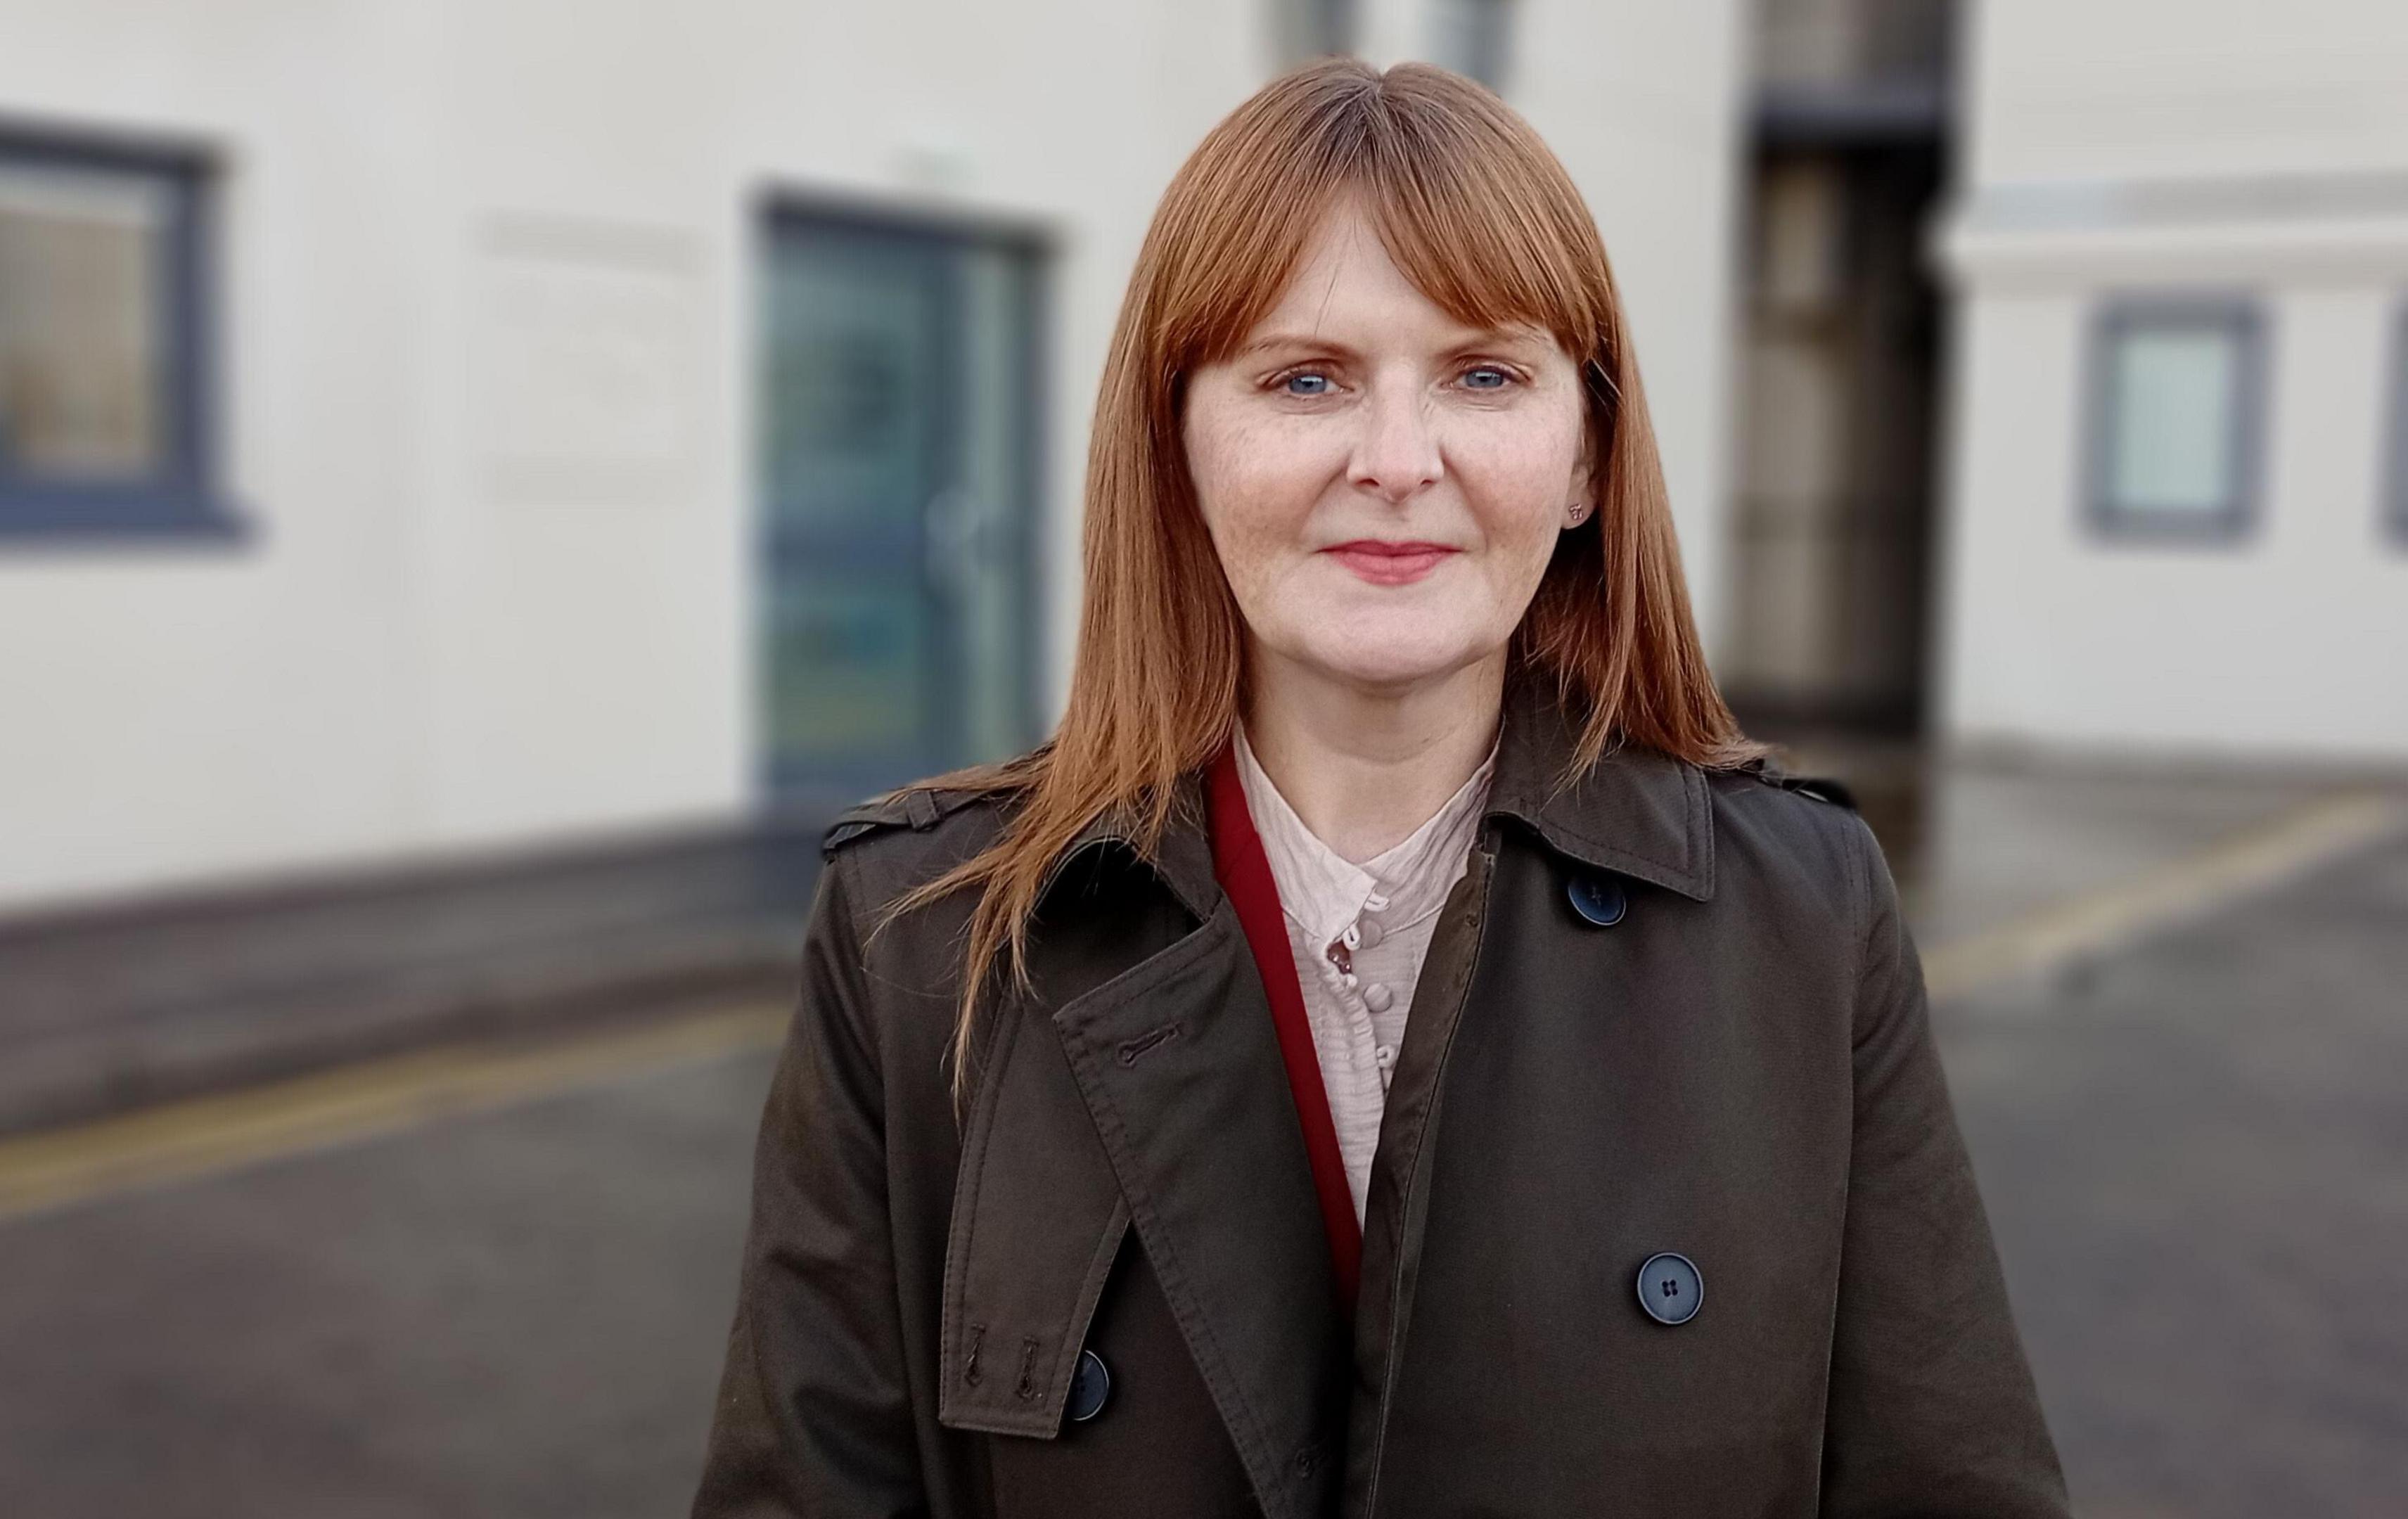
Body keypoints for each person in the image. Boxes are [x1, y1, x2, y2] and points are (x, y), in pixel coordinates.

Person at [691, 56, 2068, 1519]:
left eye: (1483, 374)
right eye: (1305, 379)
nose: (1399, 464)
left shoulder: (1801, 917)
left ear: (1588, 453)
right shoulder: (923, 942)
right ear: (1178, 447)